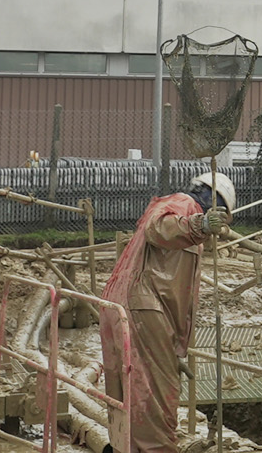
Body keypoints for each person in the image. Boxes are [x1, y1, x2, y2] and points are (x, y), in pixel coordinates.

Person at [100, 172, 235, 453]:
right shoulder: (185, 204)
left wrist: (173, 350)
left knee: (125, 389)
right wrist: (200, 223)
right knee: (155, 396)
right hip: (143, 306)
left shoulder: (187, 220)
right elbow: (157, 227)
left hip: (127, 302)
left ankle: (122, 447)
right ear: (214, 201)